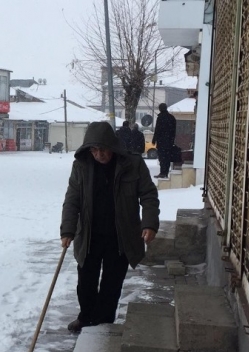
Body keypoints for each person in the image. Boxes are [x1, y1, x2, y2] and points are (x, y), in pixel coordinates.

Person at [60, 121, 160, 332]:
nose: (99, 154)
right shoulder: (81, 165)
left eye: (103, 149)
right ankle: (86, 317)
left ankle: (102, 324)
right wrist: (68, 230)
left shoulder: (132, 164)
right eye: (94, 150)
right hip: (90, 234)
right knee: (86, 282)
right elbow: (72, 199)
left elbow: (149, 195)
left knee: (111, 284)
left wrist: (149, 224)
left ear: (112, 146)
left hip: (120, 235)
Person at [152, 103, 176, 178]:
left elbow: (157, 129)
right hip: (169, 142)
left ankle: (162, 172)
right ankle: (165, 172)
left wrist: (154, 139)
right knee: (167, 157)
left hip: (161, 141)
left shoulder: (160, 117)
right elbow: (173, 131)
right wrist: (172, 140)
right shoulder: (171, 118)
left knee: (162, 157)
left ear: (160, 109)